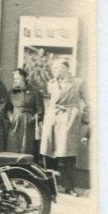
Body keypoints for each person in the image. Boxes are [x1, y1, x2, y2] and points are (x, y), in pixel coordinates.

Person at [40, 59, 89, 196]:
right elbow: (50, 102)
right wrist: (47, 118)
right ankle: (50, 185)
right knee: (49, 153)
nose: (54, 69)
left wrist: (81, 118)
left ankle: (69, 187)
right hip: (53, 119)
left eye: (58, 67)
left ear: (66, 68)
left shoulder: (78, 82)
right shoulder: (51, 83)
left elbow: (89, 103)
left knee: (68, 154)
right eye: (53, 67)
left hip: (69, 120)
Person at [6, 68, 44, 155]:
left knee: (28, 148)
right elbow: (7, 108)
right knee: (13, 145)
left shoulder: (35, 91)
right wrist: (10, 117)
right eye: (14, 79)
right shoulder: (12, 92)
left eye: (17, 79)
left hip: (29, 124)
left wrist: (33, 119)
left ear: (24, 79)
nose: (15, 81)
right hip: (15, 123)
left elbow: (40, 109)